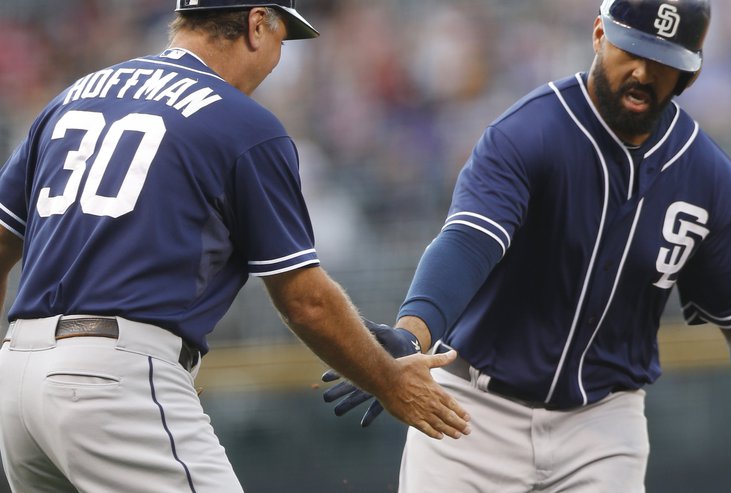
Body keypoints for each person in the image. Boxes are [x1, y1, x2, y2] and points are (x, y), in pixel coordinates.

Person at [323, 0, 731, 491]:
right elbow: (468, 243)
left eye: (665, 61)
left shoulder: (709, 179)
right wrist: (412, 336)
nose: (643, 73)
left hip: (603, 427)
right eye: (632, 49)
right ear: (600, 35)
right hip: (472, 411)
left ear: (690, 73)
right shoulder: (529, 133)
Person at [0, 1, 470, 492]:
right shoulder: (242, 122)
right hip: (114, 380)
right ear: (256, 22)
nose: (276, 58)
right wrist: (389, 381)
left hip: (17, 378)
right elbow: (305, 302)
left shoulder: (72, 97)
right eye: (281, 40)